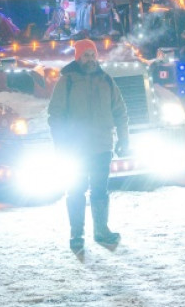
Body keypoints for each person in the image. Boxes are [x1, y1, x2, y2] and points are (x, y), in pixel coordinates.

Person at [47, 39, 129, 253]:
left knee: (100, 191)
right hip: (76, 150)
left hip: (102, 148)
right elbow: (55, 115)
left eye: (93, 55)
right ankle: (77, 234)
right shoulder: (67, 81)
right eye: (86, 55)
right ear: (78, 57)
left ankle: (101, 230)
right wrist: (60, 143)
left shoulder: (106, 80)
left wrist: (124, 139)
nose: (90, 59)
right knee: (75, 191)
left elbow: (120, 112)